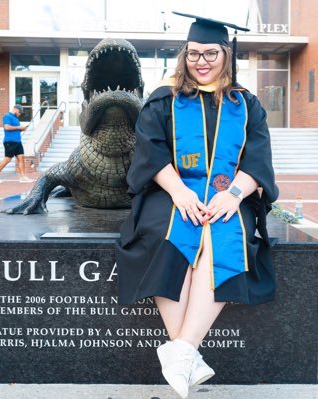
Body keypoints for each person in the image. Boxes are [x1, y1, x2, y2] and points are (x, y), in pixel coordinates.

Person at [115, 13, 279, 399]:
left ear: (225, 54)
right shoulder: (164, 99)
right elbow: (151, 152)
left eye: (209, 53)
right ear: (183, 57)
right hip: (172, 191)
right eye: (193, 54)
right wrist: (180, 192)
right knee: (165, 233)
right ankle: (187, 353)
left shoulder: (246, 104)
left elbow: (258, 161)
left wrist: (234, 195)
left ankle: (181, 351)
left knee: (222, 235)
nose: (201, 61)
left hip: (226, 193)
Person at [0, 104, 34, 183]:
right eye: (19, 112)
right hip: (10, 141)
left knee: (21, 158)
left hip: (18, 141)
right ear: (16, 110)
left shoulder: (16, 119)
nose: (19, 114)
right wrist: (19, 127)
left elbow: (16, 129)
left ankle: (23, 177)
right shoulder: (7, 116)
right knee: (8, 159)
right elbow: (7, 127)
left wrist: (22, 129)